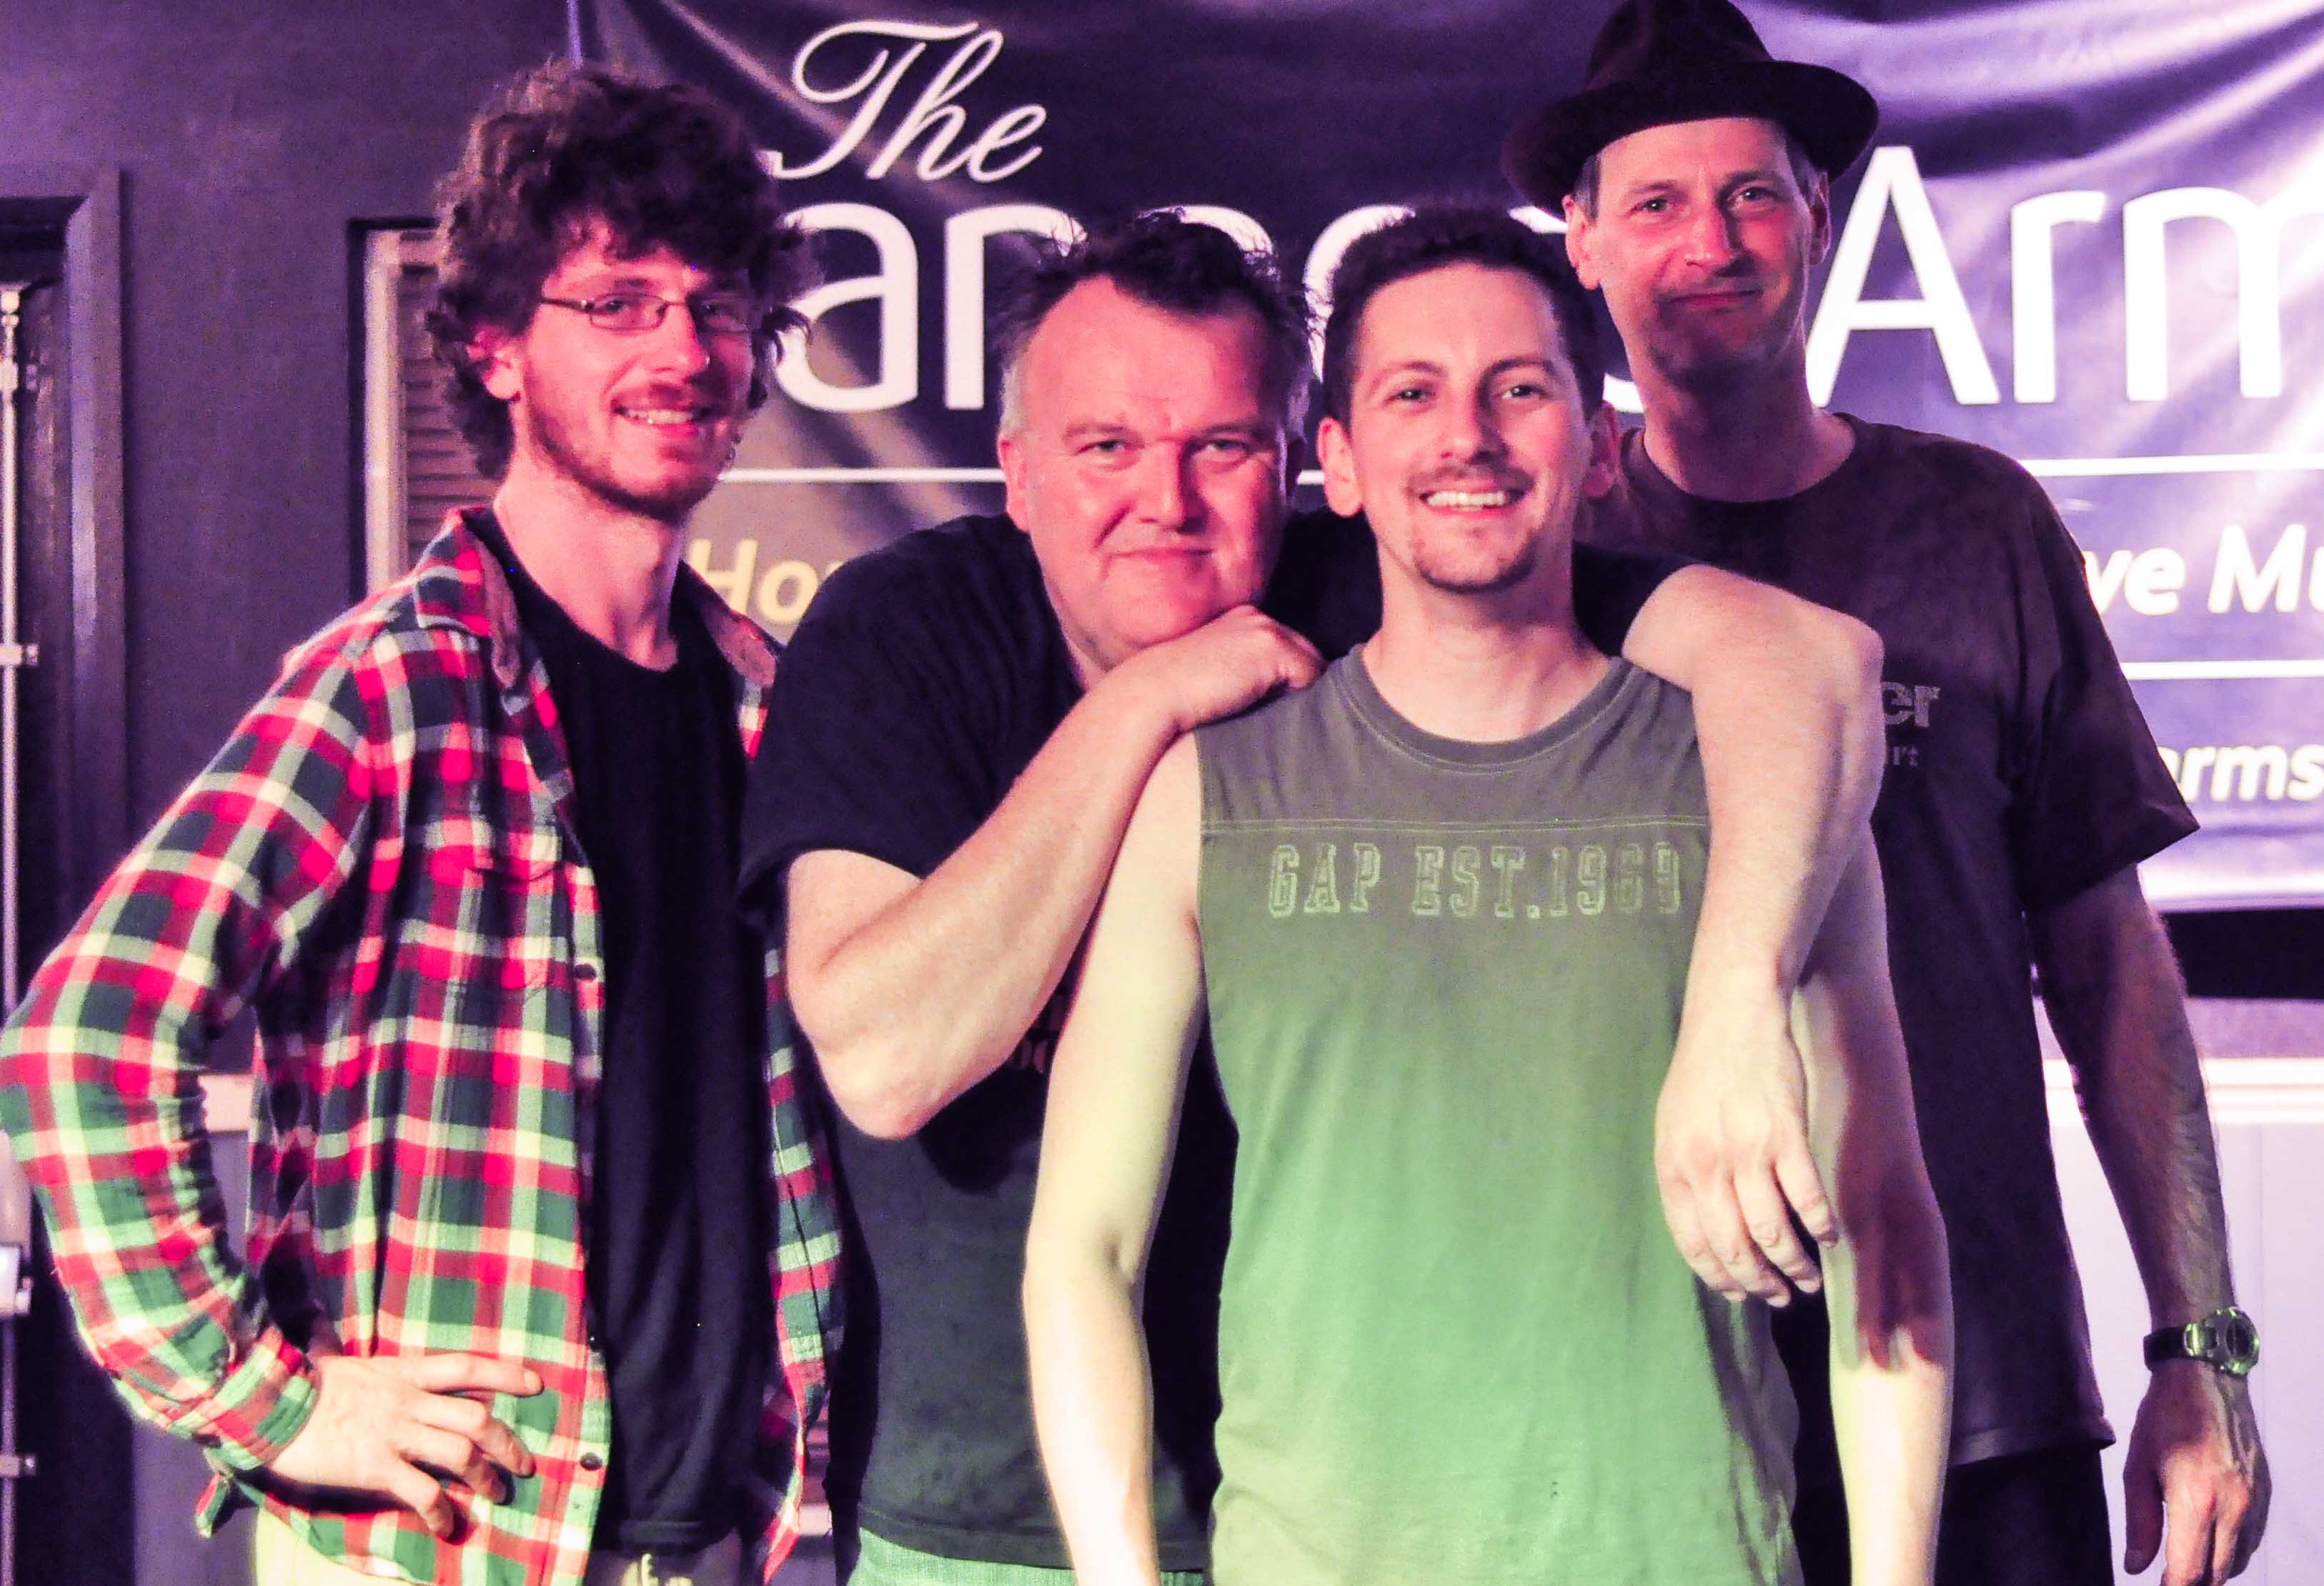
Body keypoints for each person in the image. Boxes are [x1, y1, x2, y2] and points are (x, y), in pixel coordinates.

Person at [743, 209, 1890, 1583]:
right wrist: (1150, 705)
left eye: (1221, 447)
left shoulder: (1396, 567)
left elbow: (1811, 667)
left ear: (1303, 465)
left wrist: (1734, 1007)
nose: (1166, 500)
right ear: (1020, 474)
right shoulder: (908, 625)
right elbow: (883, 1061)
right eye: (1105, 447)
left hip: (1345, 1518)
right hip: (989, 1520)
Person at [0, 62, 839, 1586]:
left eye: (716, 307)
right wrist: (266, 1405)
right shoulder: (395, 684)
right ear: (497, 346)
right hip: (449, 1543)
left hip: (709, 1532)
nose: (683, 348)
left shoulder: (763, 702)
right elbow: (81, 1040)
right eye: (620, 302)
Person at [1500, 1, 2273, 1582]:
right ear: (1580, 241)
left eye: (1752, 194)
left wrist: (2200, 1345)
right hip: (1632, 1413)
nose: (1709, 242)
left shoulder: (1980, 523)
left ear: (1818, 216)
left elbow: (2110, 964)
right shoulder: (1540, 555)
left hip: (1980, 1384)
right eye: (1655, 203)